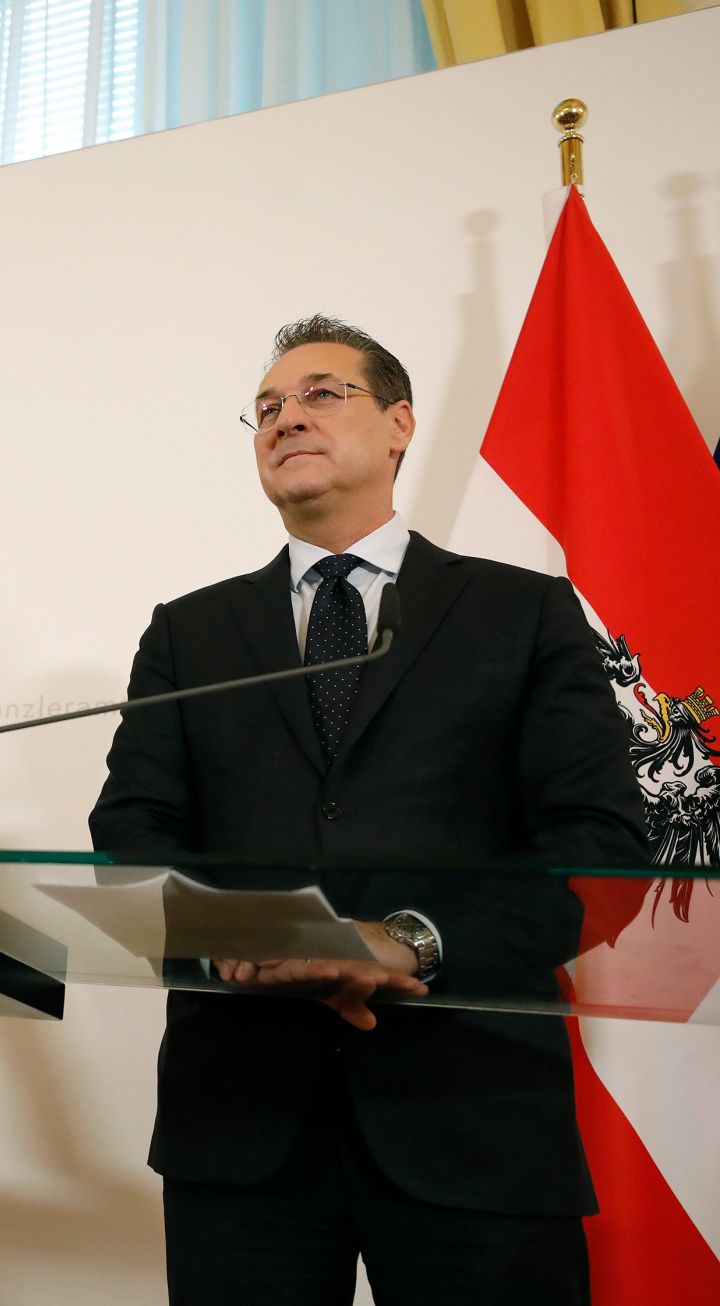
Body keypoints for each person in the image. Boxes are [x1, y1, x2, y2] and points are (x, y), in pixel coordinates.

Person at [88, 316, 646, 1305]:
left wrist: (406, 941)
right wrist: (234, 941)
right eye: (266, 406)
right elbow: (131, 836)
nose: (285, 417)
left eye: (319, 394)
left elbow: (596, 841)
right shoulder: (191, 632)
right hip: (242, 1126)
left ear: (398, 425)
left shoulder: (521, 613)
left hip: (471, 1117)